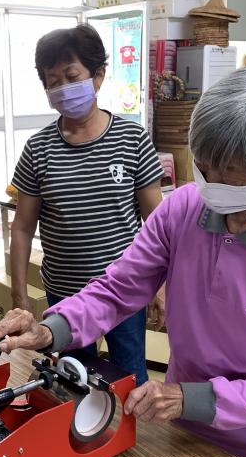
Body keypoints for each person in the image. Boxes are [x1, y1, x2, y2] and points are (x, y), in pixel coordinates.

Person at [0, 66, 246, 457]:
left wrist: (185, 398)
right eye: (204, 164)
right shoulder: (182, 210)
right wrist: (51, 329)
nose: (210, 183)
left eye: (230, 172)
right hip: (192, 434)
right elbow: (119, 288)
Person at [9, 24, 165, 385]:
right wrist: (20, 296)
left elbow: (158, 225)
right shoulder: (38, 149)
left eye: (71, 76)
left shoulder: (132, 139)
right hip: (65, 294)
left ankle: (128, 441)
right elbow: (22, 227)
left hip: (124, 292)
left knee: (130, 379)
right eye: (52, 80)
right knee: (75, 382)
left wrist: (159, 286)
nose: (62, 88)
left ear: (98, 76)